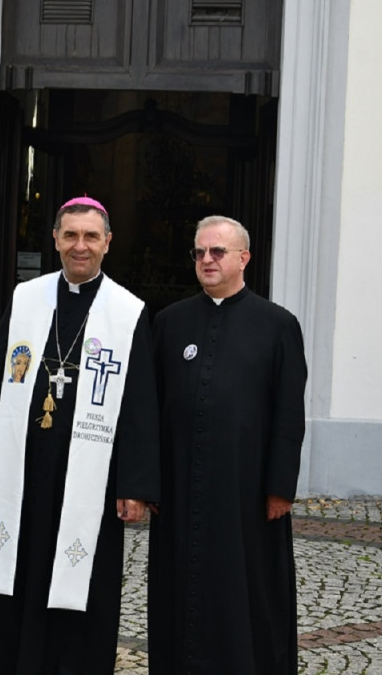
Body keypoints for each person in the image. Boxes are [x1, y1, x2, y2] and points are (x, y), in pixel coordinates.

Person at [0, 197, 160, 674]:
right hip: (19, 470)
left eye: (90, 236)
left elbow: (141, 404)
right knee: (7, 575)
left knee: (79, 581)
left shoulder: (128, 313)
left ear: (108, 243)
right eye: (70, 235)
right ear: (55, 240)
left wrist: (135, 484)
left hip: (90, 478)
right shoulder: (28, 297)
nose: (79, 246)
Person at [149, 215, 308, 674]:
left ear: (244, 258)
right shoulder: (169, 322)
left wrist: (280, 486)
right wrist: (151, 482)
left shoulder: (278, 325)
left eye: (217, 251)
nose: (206, 260)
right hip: (180, 488)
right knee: (179, 586)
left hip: (248, 491)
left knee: (248, 589)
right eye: (199, 252)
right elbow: (151, 409)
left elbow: (288, 412)